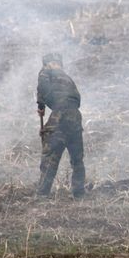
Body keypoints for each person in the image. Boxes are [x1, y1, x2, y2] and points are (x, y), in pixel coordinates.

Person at [36, 53, 86, 198]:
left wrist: (41, 105)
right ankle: (79, 193)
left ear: (47, 63)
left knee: (50, 156)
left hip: (60, 115)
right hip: (75, 117)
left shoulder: (46, 72)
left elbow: (42, 88)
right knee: (77, 158)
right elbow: (77, 99)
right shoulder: (68, 78)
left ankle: (42, 194)